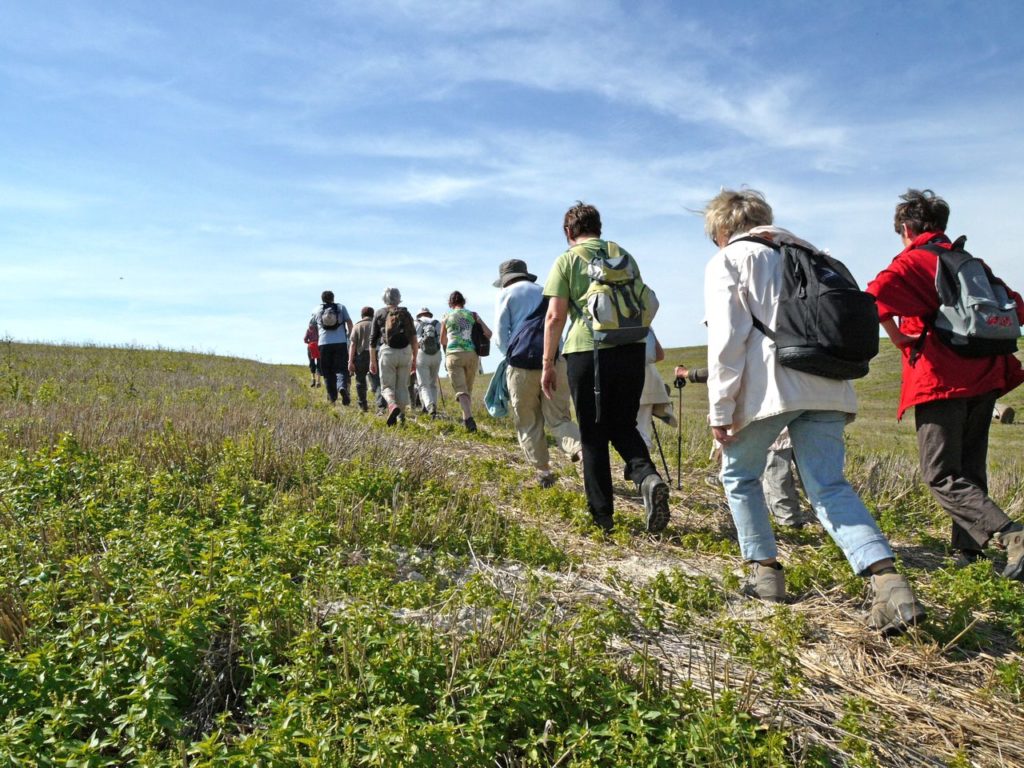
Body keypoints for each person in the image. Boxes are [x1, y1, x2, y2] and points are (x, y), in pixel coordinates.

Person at [701, 187, 924, 635]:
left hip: (773, 388)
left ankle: (766, 574)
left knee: (739, 476)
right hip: (828, 382)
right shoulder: (815, 253)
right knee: (829, 487)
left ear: (723, 228)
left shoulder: (731, 259)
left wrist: (721, 409)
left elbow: (727, 341)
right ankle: (889, 583)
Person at [866, 189, 1024, 578]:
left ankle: (1012, 535)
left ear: (905, 228)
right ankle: (970, 554)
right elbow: (1017, 306)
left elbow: (870, 298)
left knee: (940, 474)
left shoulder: (912, 261)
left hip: (941, 378)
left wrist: (899, 337)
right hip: (986, 376)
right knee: (970, 467)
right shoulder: (971, 262)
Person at [541, 201, 671, 534]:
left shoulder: (567, 260)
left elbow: (555, 316)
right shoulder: (623, 255)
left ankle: (603, 519)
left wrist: (547, 364)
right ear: (599, 227)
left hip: (588, 352)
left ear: (568, 231)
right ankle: (648, 477)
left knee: (592, 436)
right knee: (624, 425)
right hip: (631, 349)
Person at [493, 258, 582, 488]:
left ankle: (543, 472)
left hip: (522, 368)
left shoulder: (507, 294)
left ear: (505, 279)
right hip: (554, 361)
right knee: (559, 417)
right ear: (525, 274)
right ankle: (581, 451)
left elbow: (500, 337)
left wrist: (511, 356)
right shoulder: (546, 291)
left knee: (529, 421)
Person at [441, 290, 491, 432]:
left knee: (461, 390)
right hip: (471, 354)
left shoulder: (446, 316)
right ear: (464, 302)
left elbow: (442, 340)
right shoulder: (473, 315)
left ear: (450, 303)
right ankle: (466, 421)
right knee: (467, 390)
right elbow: (488, 333)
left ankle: (468, 418)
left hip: (453, 354)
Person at [369, 288, 418, 426]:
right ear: (398, 298)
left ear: (384, 299)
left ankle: (391, 405)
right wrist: (414, 358)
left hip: (387, 352)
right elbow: (414, 339)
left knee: (387, 386)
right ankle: (401, 417)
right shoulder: (406, 313)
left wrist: (372, 361)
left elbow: (372, 340)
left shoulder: (379, 313)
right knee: (402, 386)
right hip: (405, 352)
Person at [311, 290, 353, 405]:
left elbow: (311, 326)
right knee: (341, 369)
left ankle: (332, 397)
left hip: (323, 343)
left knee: (328, 371)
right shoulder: (341, 307)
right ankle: (341, 387)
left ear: (322, 299)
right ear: (333, 298)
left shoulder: (316, 310)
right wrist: (350, 336)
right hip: (340, 342)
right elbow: (349, 322)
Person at [636, 330, 675, 450]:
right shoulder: (642, 316)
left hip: (620, 385)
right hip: (646, 387)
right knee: (641, 437)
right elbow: (658, 354)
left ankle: (641, 468)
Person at [348, 306, 379, 412]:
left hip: (361, 355)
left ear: (362, 315)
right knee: (378, 381)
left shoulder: (357, 326)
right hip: (376, 354)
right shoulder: (377, 324)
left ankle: (363, 405)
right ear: (373, 314)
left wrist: (350, 361)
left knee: (360, 381)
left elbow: (352, 345)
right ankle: (381, 406)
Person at [414, 308, 443, 419]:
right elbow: (441, 339)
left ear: (419, 315)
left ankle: (430, 407)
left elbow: (413, 341)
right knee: (433, 383)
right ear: (429, 314)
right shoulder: (437, 322)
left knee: (423, 384)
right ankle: (433, 406)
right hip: (436, 354)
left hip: (421, 353)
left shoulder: (416, 323)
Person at [303, 322, 321, 388]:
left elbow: (305, 340)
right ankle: (318, 381)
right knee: (319, 363)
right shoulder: (319, 329)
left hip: (310, 347)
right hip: (318, 346)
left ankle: (313, 379)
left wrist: (309, 342)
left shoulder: (308, 330)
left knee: (312, 363)